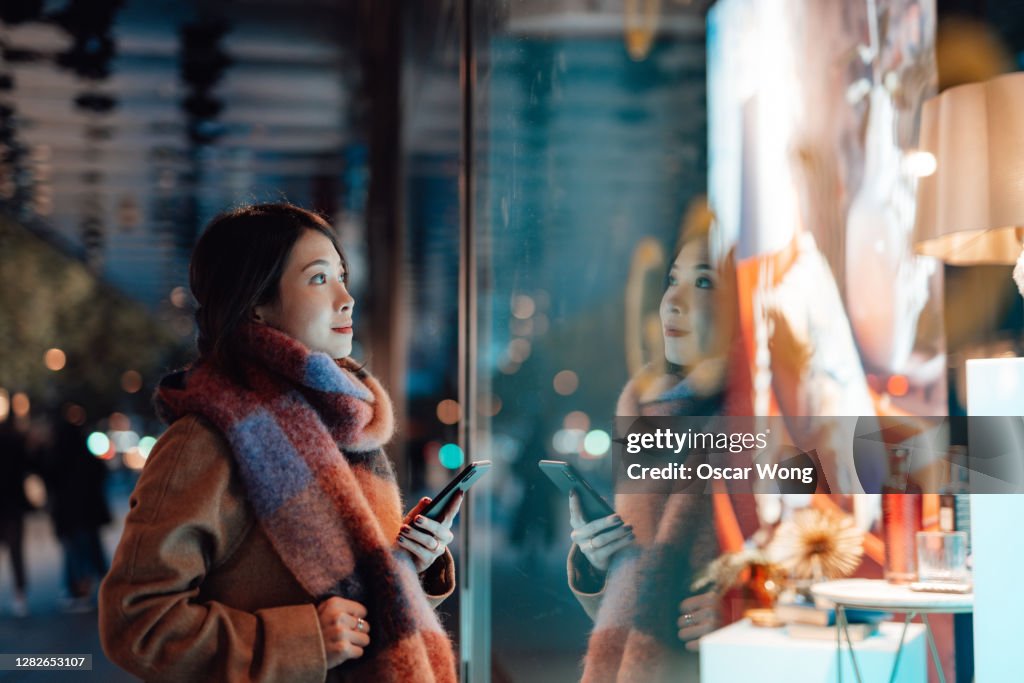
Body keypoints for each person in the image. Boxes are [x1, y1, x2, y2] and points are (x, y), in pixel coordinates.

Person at [99, 203, 460, 683]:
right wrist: (302, 640)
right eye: (318, 279)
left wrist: (410, 563)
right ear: (255, 304)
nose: (346, 297)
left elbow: (358, 609)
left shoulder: (341, 428)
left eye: (342, 276)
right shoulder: (207, 441)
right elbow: (136, 624)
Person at [566, 203, 737, 682]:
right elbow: (640, 595)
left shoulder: (774, 412)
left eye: (704, 282)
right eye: (673, 280)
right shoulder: (646, 413)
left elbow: (831, 551)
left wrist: (748, 608)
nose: (672, 302)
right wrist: (597, 562)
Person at [41, 419, 112, 610]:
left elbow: (47, 477)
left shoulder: (57, 458)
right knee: (90, 550)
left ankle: (81, 590)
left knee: (75, 552)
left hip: (69, 514)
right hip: (88, 513)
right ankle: (97, 587)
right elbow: (101, 474)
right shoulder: (86, 457)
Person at [0, 421, 31, 618]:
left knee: (15, 552)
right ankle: (20, 596)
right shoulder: (15, 442)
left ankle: (20, 595)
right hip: (13, 506)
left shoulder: (13, 442)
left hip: (10, 506)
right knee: (16, 552)